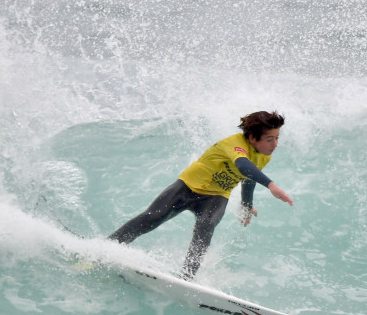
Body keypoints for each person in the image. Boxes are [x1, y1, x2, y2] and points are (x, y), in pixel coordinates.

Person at [108, 111, 294, 280]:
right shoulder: (234, 143)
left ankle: (186, 278)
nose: (275, 144)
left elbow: (249, 176)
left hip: (216, 197)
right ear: (253, 138)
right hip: (187, 188)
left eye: (277, 138)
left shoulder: (264, 155)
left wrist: (246, 204)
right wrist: (271, 185)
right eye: (270, 139)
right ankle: (108, 248)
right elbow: (243, 166)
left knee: (206, 226)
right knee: (152, 217)